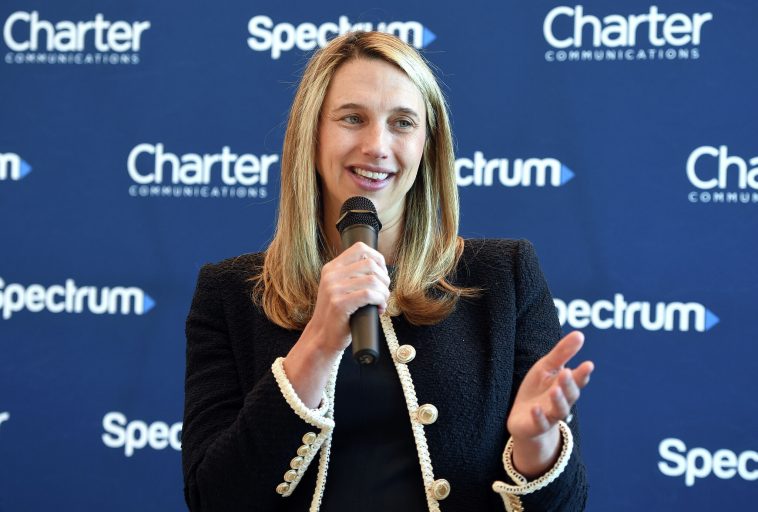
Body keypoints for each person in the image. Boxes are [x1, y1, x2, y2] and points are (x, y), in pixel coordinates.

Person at [182, 31, 594, 512]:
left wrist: (535, 446)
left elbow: (568, 506)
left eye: (402, 123)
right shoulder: (230, 293)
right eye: (352, 118)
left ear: (427, 145)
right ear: (311, 134)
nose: (377, 145)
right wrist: (317, 343)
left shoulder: (505, 275)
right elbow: (213, 499)